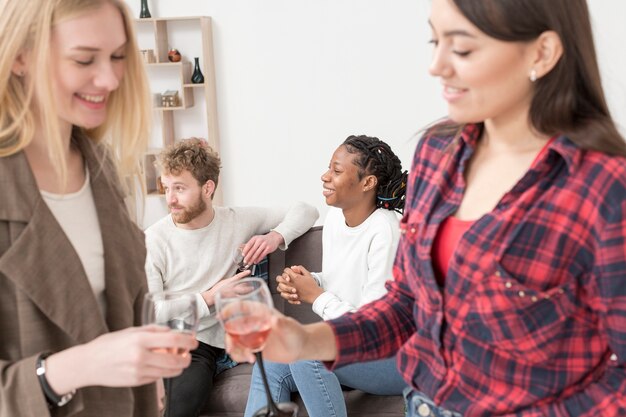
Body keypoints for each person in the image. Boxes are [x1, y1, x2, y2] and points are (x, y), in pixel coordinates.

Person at [227, 0, 626, 416]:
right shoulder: (438, 154)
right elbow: (406, 306)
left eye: (463, 48)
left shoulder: (604, 188)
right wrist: (305, 340)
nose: (436, 65)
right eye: (436, 41)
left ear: (542, 52)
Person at [0, 1, 198, 416]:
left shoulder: (105, 170)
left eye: (119, 56)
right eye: (84, 59)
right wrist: (77, 367)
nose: (109, 78)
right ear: (19, 56)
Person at [144, 137, 319, 417]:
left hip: (215, 342)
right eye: (166, 188)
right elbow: (152, 311)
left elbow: (306, 210)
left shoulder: (237, 220)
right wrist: (209, 297)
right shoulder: (154, 239)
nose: (170, 200)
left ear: (207, 188)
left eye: (179, 188)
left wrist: (275, 237)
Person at [244, 135, 409, 417]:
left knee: (308, 353)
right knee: (272, 357)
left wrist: (316, 296)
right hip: (352, 345)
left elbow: (373, 328)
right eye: (328, 168)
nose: (325, 176)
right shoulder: (335, 218)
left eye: (336, 170)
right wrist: (308, 281)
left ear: (367, 183)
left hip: (394, 356)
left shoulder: (387, 232)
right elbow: (341, 279)